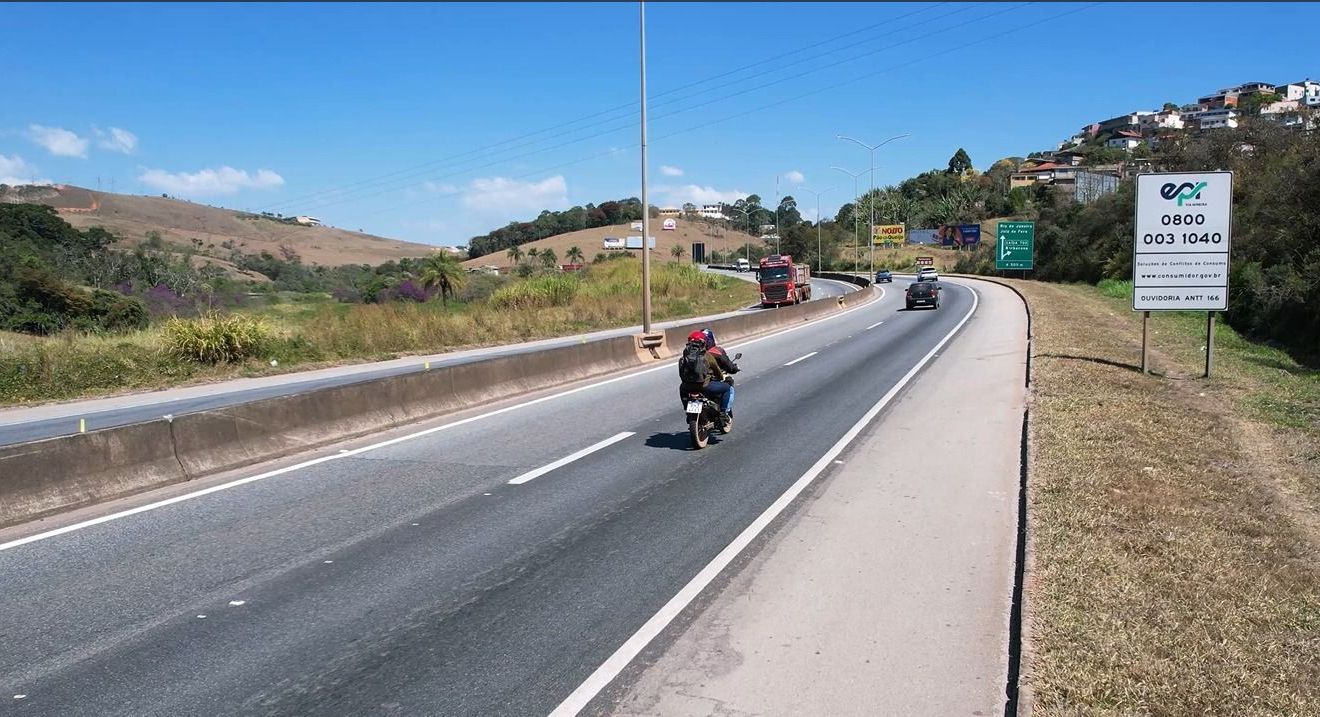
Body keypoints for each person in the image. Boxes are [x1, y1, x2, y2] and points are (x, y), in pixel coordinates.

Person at [678, 329, 739, 425]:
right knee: (728, 389)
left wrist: (687, 382)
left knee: (681, 389)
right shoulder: (707, 355)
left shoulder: (684, 357)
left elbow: (681, 373)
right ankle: (723, 413)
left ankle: (688, 411)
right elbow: (717, 370)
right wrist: (720, 378)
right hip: (705, 386)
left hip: (687, 387)